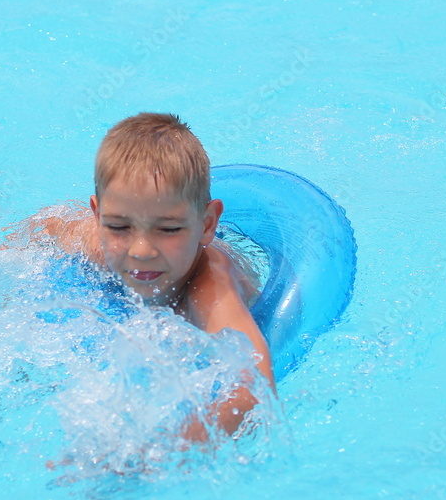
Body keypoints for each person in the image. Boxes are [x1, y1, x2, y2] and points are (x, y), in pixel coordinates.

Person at [22, 112, 276, 442]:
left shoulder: (210, 282)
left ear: (207, 224)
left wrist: (153, 455)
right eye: (118, 226)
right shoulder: (97, 243)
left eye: (168, 229)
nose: (141, 250)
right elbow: (44, 226)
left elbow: (253, 389)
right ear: (98, 216)